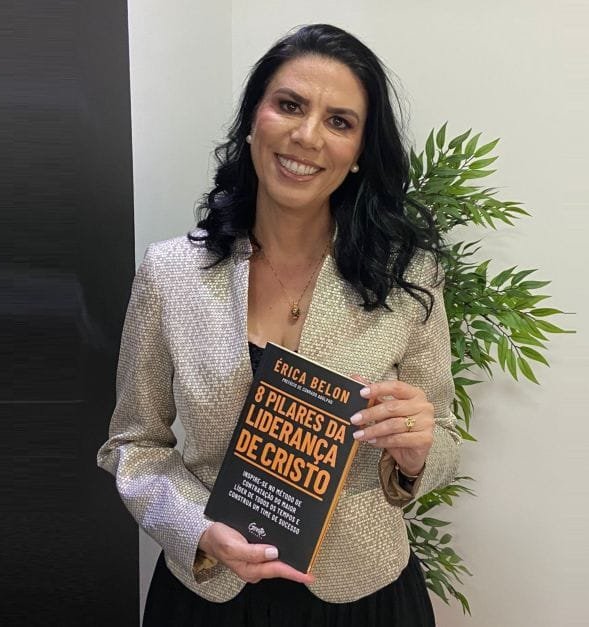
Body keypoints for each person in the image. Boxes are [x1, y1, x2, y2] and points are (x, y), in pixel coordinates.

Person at [97, 23, 461, 626]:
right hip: (208, 595)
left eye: (339, 121)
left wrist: (418, 453)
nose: (307, 135)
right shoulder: (169, 274)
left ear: (359, 154)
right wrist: (196, 527)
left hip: (364, 594)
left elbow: (442, 435)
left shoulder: (408, 277)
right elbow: (133, 445)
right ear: (253, 121)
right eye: (289, 105)